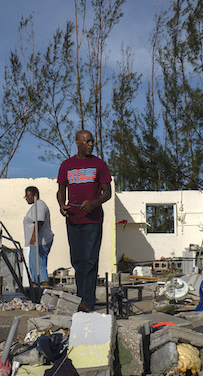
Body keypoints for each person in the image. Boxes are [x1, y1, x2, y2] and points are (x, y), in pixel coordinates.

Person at [57, 130, 112, 312]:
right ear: (77, 143)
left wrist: (94, 203)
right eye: (86, 141)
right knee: (77, 260)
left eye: (92, 141)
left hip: (92, 221)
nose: (90, 144)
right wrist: (61, 204)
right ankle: (81, 297)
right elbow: (61, 189)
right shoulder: (67, 165)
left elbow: (107, 192)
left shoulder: (99, 164)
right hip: (73, 220)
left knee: (90, 260)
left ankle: (88, 300)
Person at [23, 186, 54, 287]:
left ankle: (44, 288)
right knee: (33, 265)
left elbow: (39, 221)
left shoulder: (39, 205)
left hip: (40, 241)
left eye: (28, 196)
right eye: (26, 197)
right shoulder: (35, 206)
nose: (27, 198)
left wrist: (33, 237)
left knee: (39, 265)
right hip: (36, 242)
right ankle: (35, 286)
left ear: (35, 195)